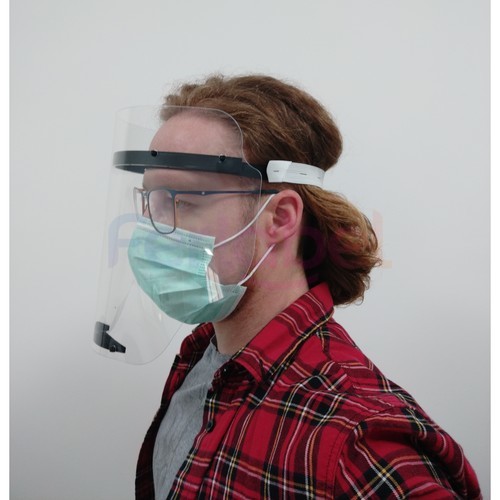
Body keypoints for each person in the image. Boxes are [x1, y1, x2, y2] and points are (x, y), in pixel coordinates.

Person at [97, 74, 481, 498]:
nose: (155, 229)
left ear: (279, 218)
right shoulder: (201, 363)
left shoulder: (356, 436)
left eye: (184, 201)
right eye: (152, 200)